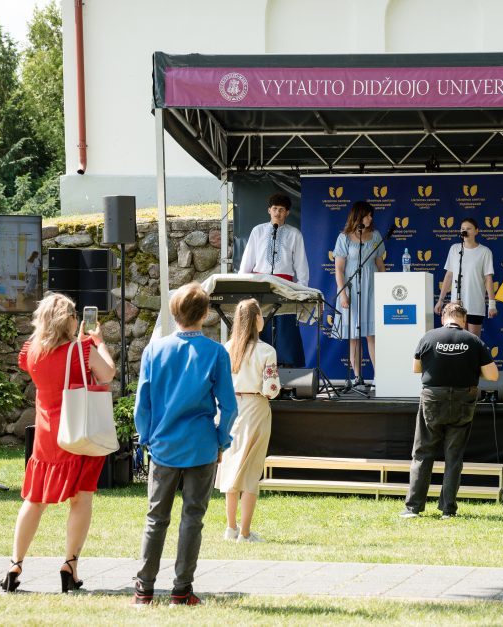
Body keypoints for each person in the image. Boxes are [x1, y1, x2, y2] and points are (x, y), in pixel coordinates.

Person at [2, 293, 117, 594]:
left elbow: (45, 358)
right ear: (68, 320)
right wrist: (99, 340)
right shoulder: (83, 349)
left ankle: (15, 564)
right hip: (79, 431)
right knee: (81, 498)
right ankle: (70, 565)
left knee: (34, 499)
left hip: (47, 436)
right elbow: (107, 374)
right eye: (74, 314)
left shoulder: (31, 351)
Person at [133, 281, 238, 606]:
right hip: (201, 446)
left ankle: (143, 591)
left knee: (155, 519)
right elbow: (229, 406)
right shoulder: (216, 352)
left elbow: (143, 404)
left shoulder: (154, 350)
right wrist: (222, 440)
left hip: (163, 446)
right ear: (206, 314)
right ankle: (181, 590)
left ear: (173, 312)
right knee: (193, 518)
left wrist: (146, 438)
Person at [400, 302, 498, 519]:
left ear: (444, 318)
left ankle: (413, 508)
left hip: (433, 400)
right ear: (463, 319)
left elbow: (416, 368)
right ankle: (448, 510)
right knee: (454, 457)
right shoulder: (474, 340)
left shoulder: (428, 337)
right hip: (464, 400)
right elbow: (493, 376)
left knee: (423, 453)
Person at [216, 298, 281, 543]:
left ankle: (230, 527)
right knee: (251, 470)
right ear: (256, 320)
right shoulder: (266, 351)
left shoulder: (225, 349)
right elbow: (271, 388)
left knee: (231, 467)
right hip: (255, 407)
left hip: (230, 408)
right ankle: (245, 532)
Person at [238, 193, 309, 367]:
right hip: (260, 286)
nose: (277, 212)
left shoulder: (294, 234)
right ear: (269, 210)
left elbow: (301, 266)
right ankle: (258, 367)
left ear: (287, 213)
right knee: (260, 327)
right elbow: (248, 260)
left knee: (287, 331)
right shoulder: (258, 230)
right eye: (275, 209)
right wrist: (241, 286)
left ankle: (291, 371)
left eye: (281, 209)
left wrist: (301, 291)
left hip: (285, 287)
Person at [334, 201, 386, 381]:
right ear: (358, 216)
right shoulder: (344, 237)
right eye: (368, 215)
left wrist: (385, 288)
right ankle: (358, 378)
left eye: (371, 215)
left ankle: (380, 377)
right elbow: (339, 269)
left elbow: (380, 264)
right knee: (354, 337)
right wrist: (343, 294)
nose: (371, 218)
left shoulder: (376, 235)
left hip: (372, 290)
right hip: (351, 290)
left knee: (372, 335)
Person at [434, 218, 496, 337]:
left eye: (468, 228)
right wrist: (440, 300)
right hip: (456, 304)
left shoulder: (485, 251)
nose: (465, 231)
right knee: (457, 340)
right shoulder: (454, 249)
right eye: (463, 229)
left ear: (476, 231)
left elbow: (488, 279)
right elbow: (449, 276)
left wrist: (492, 304)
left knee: (473, 341)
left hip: (475, 303)